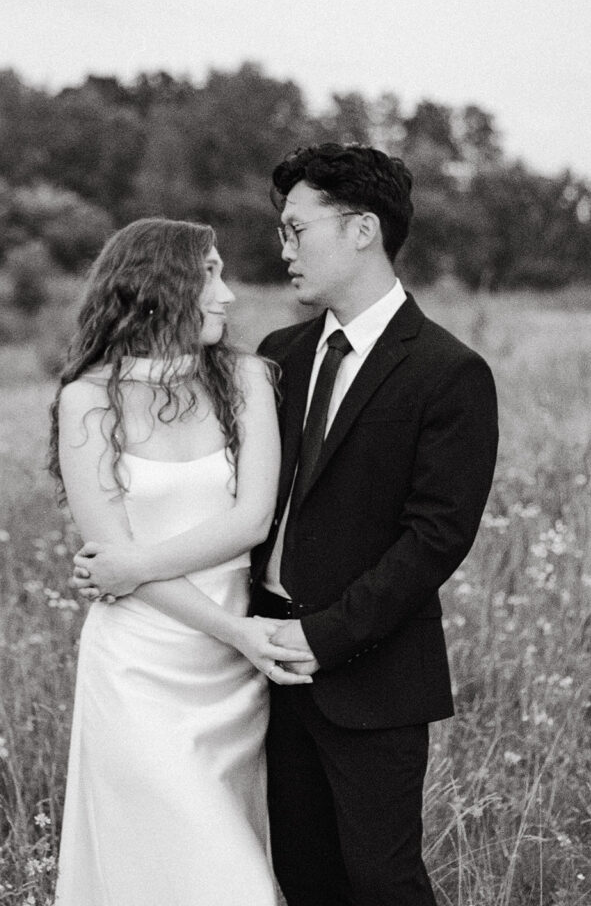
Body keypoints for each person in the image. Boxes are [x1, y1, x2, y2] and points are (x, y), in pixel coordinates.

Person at [248, 143, 499, 906]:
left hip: (372, 675)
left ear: (361, 229)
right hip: (263, 665)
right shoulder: (277, 355)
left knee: (381, 882)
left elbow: (435, 539)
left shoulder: (448, 372)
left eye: (297, 228)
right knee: (299, 875)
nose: (282, 248)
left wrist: (321, 635)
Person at [50, 217, 315, 906]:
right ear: (158, 289)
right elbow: (108, 551)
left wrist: (131, 567)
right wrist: (235, 632)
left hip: (230, 676)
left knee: (230, 872)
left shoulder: (246, 377)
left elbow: (250, 520)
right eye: (210, 275)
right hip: (138, 670)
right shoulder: (85, 399)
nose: (226, 296)